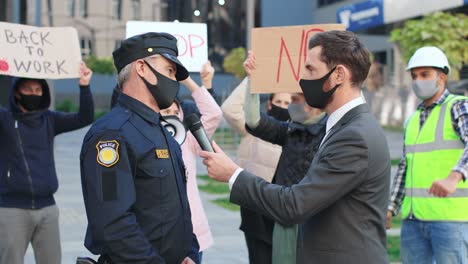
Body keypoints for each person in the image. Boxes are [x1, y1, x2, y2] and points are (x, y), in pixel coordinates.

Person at [200, 30, 391, 263]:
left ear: (339, 74)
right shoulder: (345, 126)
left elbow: (294, 205)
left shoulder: (355, 136)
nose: (302, 77)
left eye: (311, 69)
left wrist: (232, 174)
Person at [79, 32, 199, 264]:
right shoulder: (111, 134)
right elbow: (113, 223)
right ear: (141, 68)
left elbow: (178, 207)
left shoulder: (162, 131)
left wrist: (189, 252)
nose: (174, 81)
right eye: (169, 71)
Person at [0, 62, 94, 264]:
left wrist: (84, 86)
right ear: (17, 93)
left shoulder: (49, 119)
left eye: (38, 89)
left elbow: (84, 117)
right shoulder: (4, 120)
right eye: (28, 89)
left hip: (48, 209)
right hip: (12, 210)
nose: (34, 93)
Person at [242, 50, 327, 264]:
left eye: (296, 99)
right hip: (284, 219)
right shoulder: (289, 130)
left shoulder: (333, 133)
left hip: (315, 223)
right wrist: (253, 79)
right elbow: (254, 121)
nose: (291, 105)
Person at [387, 46, 468, 263]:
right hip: (413, 220)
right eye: (414, 76)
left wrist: (454, 177)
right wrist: (392, 207)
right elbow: (405, 166)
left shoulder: (458, 106)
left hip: (450, 220)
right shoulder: (412, 120)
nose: (417, 81)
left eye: (425, 75)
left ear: (442, 77)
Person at [221, 75, 291, 264]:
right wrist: (252, 79)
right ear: (269, 104)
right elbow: (230, 110)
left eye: (287, 102)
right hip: (257, 212)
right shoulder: (255, 128)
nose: (282, 106)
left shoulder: (296, 133)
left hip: (284, 212)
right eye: (278, 101)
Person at [159, 61, 222, 262]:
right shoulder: (146, 142)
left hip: (192, 234)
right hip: (160, 234)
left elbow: (214, 114)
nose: (170, 116)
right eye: (164, 112)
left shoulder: (189, 141)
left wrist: (187, 80)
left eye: (174, 112)